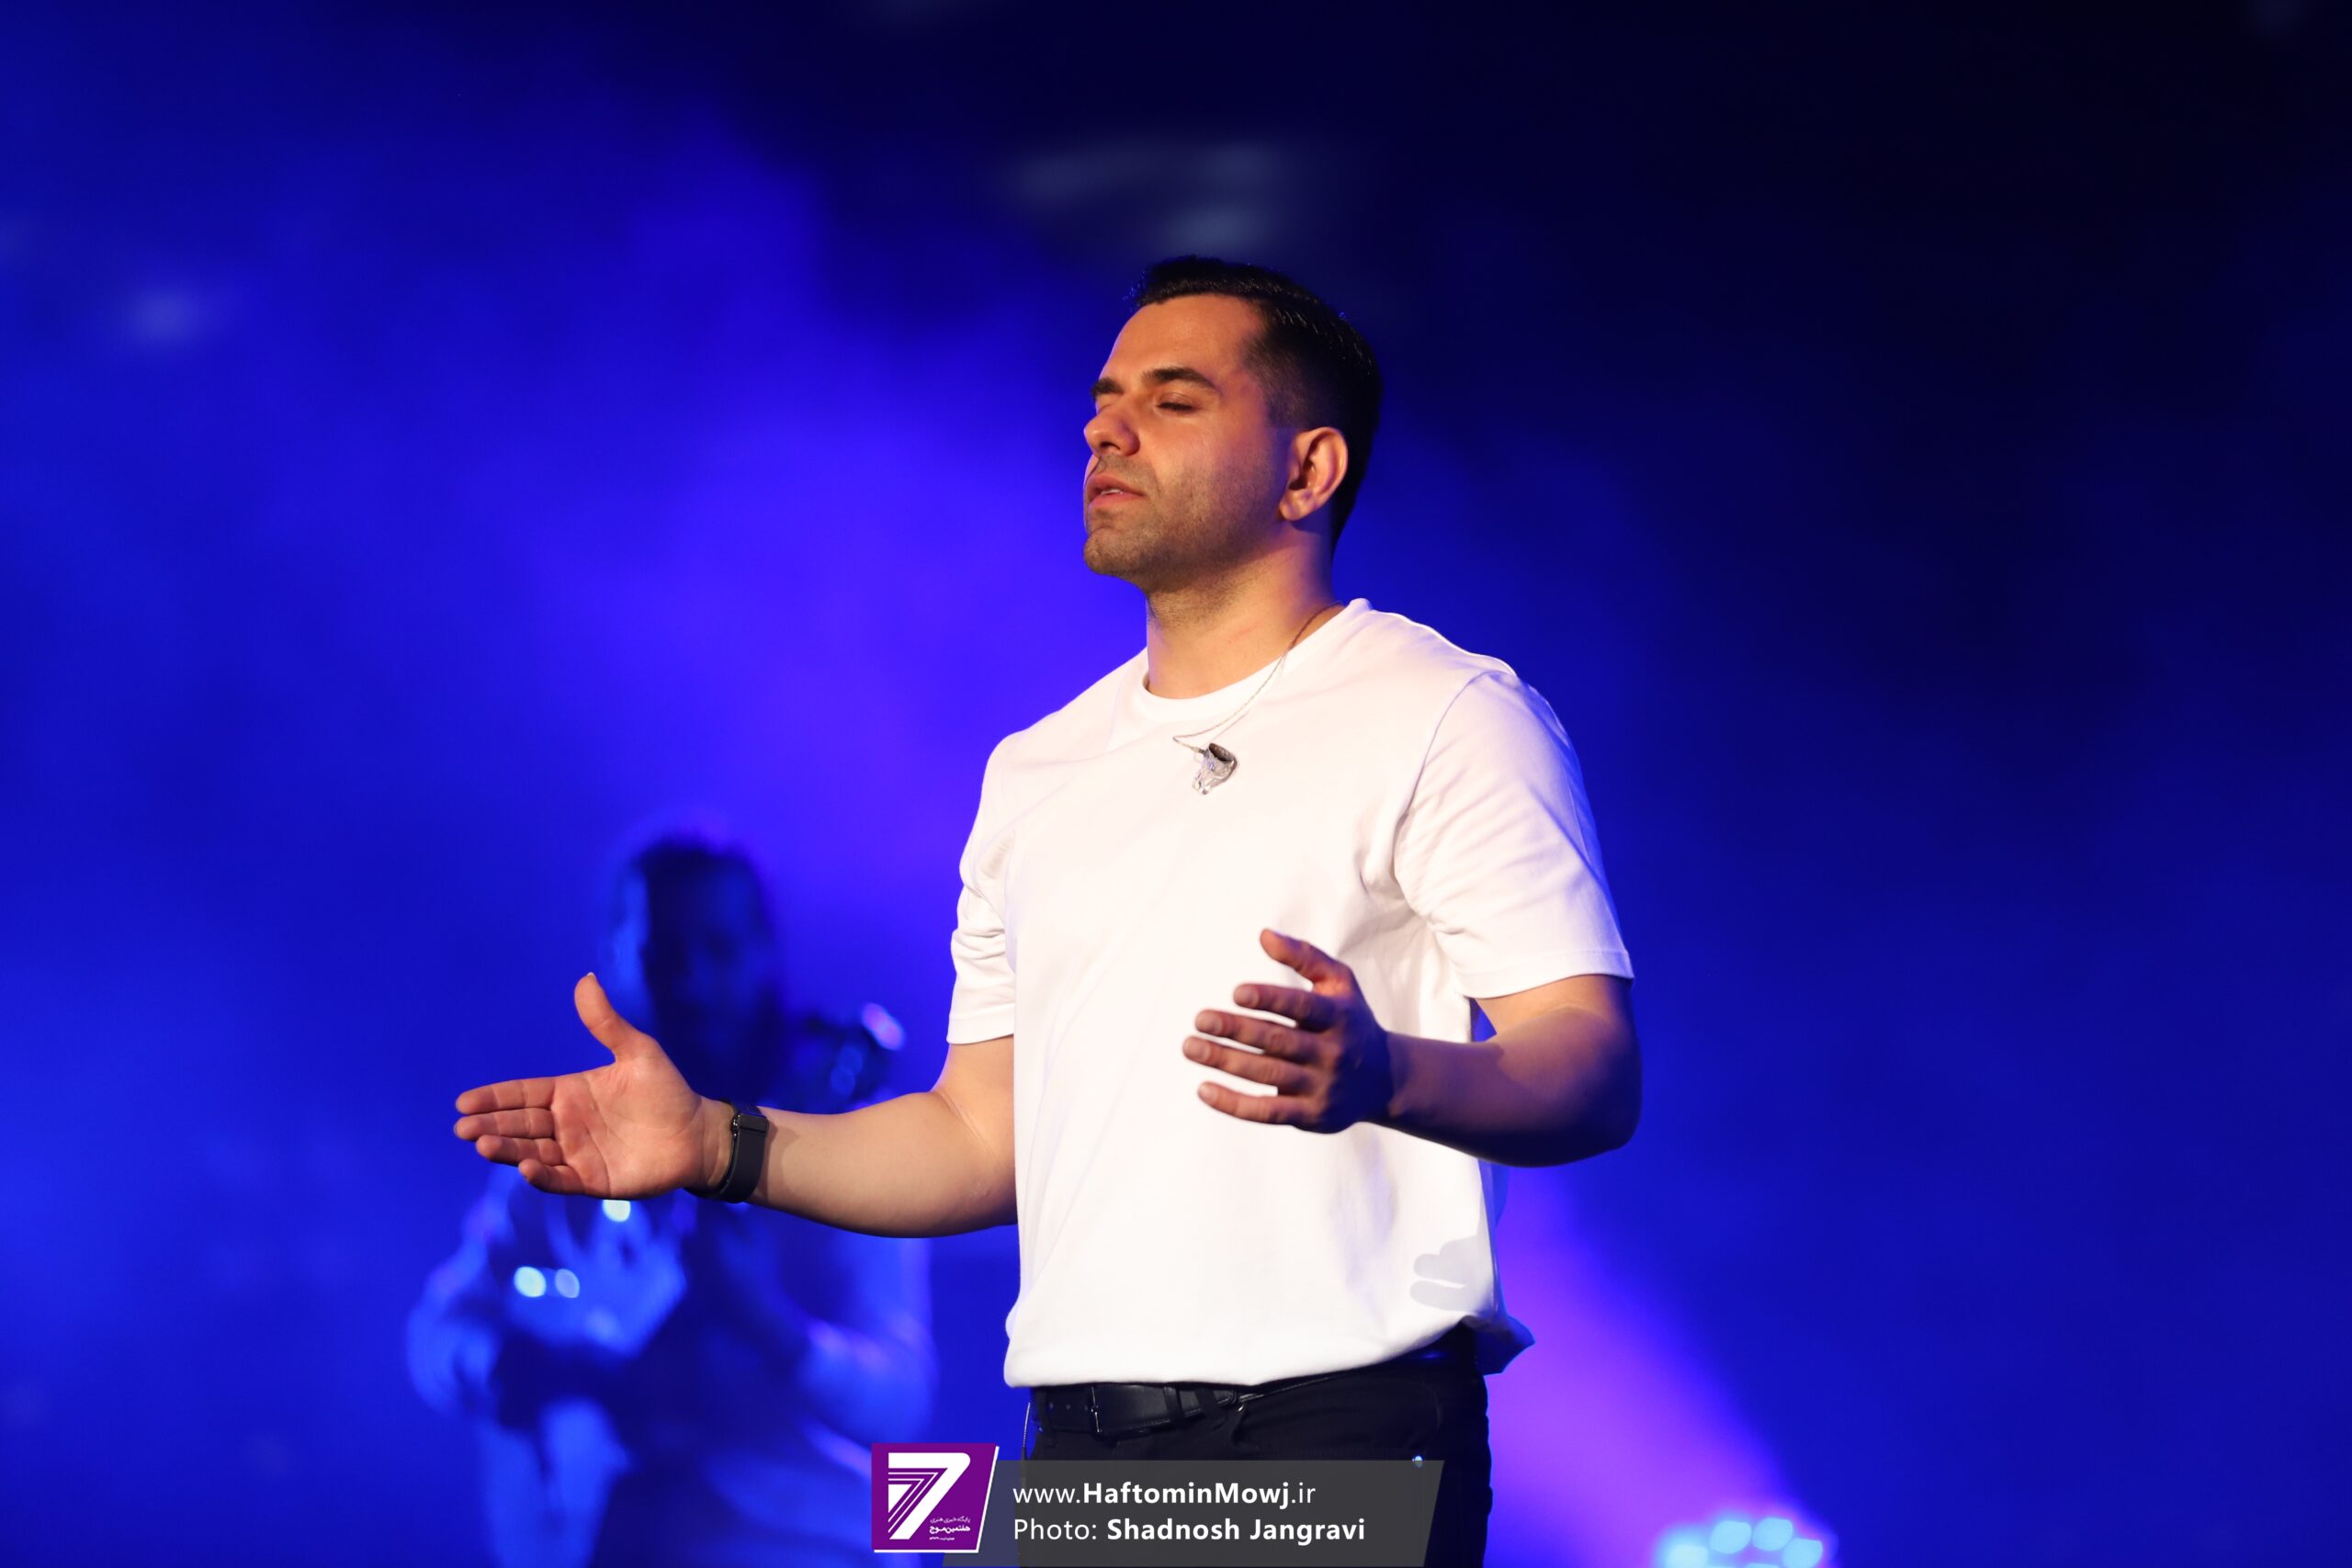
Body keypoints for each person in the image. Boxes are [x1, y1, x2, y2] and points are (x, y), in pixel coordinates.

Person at [450, 257, 1640, 1568]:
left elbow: (1590, 1068)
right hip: (1077, 1448)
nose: (1105, 430)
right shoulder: (1040, 771)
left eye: (1172, 401)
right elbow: (975, 1137)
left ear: (1308, 470)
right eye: (1102, 399)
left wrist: (1386, 1072)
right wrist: (715, 1143)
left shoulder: (1445, 712)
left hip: (1332, 1434)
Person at [413, 830, 936, 1568]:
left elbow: (902, 1402)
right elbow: (436, 1329)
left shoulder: (850, 1145)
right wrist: (520, 1370)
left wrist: (769, 1323)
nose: (690, 983)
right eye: (664, 954)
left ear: (764, 954)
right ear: (613, 958)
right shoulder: (558, 1154)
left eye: (718, 949)